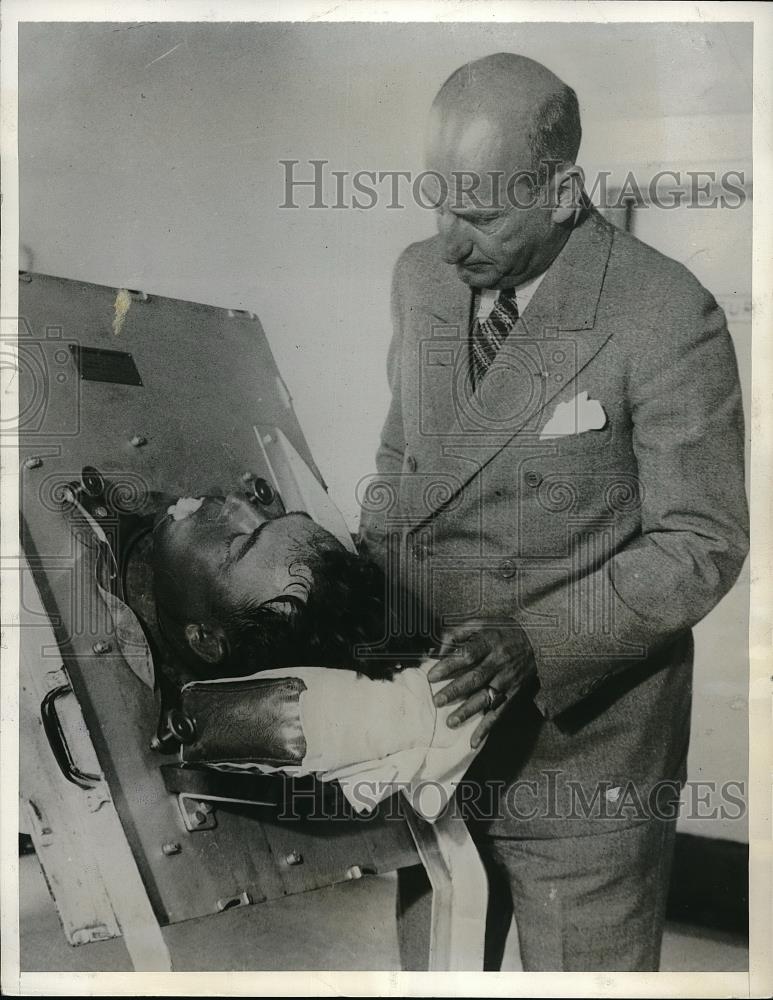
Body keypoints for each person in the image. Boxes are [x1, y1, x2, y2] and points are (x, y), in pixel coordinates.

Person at [358, 52, 749, 971]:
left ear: (563, 194)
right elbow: (400, 459)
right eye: (436, 201)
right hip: (432, 732)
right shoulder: (421, 279)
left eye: (482, 214)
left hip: (582, 756)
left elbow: (701, 541)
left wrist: (536, 638)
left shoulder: (663, 312)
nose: (450, 241)